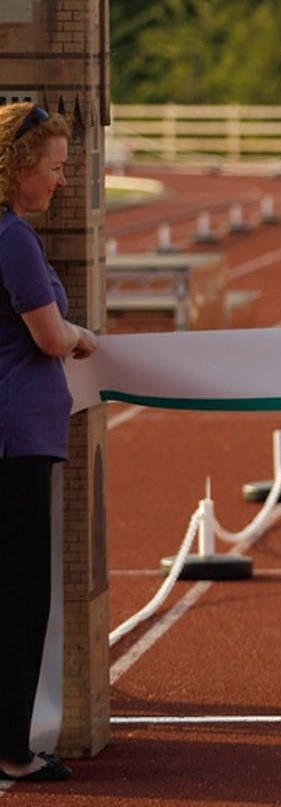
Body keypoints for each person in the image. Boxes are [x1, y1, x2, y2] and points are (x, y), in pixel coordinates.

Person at [0, 103, 97, 783]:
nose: (61, 182)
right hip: (15, 439)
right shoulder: (13, 238)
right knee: (21, 594)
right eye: (56, 168)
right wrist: (80, 337)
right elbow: (48, 335)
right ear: (20, 168)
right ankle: (10, 748)